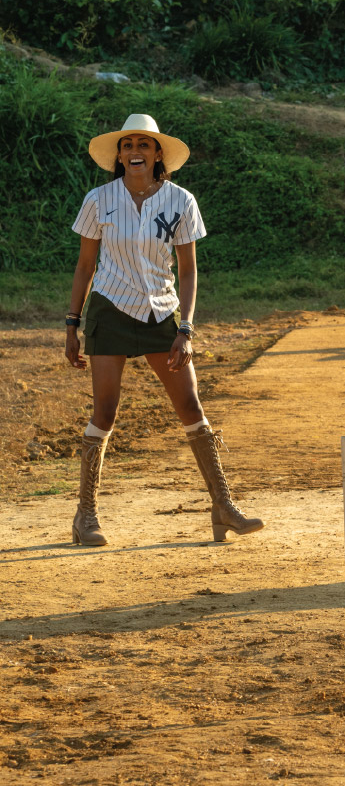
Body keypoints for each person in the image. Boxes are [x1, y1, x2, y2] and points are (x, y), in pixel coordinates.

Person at [65, 113, 265, 547]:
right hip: (110, 309)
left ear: (158, 154)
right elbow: (84, 266)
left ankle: (223, 506)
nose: (135, 151)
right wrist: (71, 324)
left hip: (162, 313)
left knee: (191, 405)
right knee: (105, 412)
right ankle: (85, 515)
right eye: (128, 145)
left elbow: (188, 271)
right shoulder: (99, 200)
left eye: (144, 144)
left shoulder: (181, 201)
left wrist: (185, 328)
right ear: (119, 156)